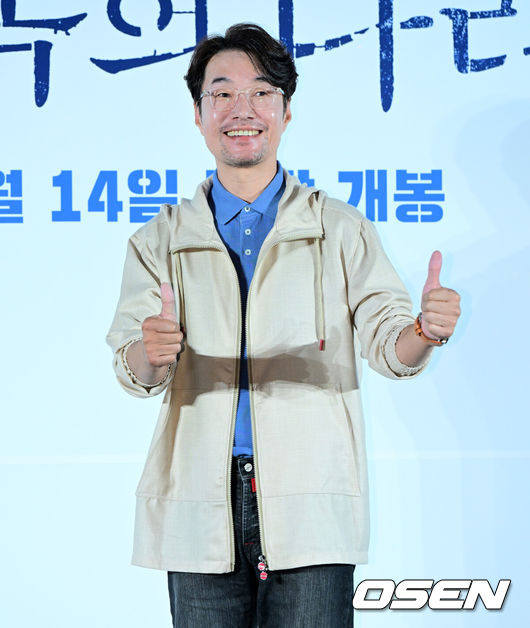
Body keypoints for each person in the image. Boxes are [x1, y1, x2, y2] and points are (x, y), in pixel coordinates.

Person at [107, 22, 461, 628]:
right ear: (198, 114)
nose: (241, 110)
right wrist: (150, 350)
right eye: (222, 93)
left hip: (311, 497)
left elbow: (388, 343)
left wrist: (425, 332)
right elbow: (131, 367)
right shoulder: (159, 240)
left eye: (261, 93)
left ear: (286, 111)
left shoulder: (339, 228)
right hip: (201, 500)